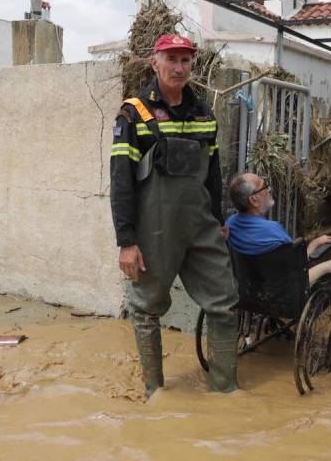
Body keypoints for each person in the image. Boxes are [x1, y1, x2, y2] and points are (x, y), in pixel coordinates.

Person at [110, 33, 239, 398]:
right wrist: (127, 242)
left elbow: (213, 173)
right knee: (146, 310)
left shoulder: (203, 112)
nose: (179, 67)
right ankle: (156, 394)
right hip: (155, 231)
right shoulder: (134, 113)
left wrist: (218, 219)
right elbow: (121, 182)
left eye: (186, 60)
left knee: (225, 303)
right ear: (155, 62)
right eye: (172, 59)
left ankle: (226, 392)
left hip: (201, 226)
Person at [225, 173, 331, 286]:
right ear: (254, 200)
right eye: (264, 187)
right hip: (282, 292)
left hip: (249, 291)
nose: (269, 190)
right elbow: (297, 265)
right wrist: (314, 244)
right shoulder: (272, 230)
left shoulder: (230, 224)